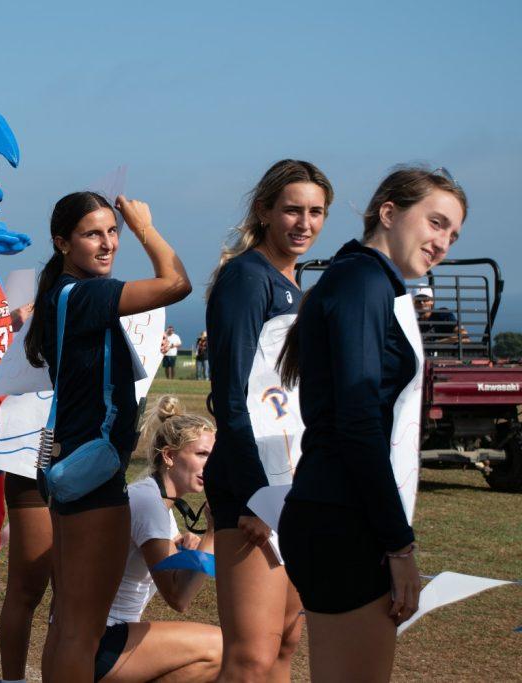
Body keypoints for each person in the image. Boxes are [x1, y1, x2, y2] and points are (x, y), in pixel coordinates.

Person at [277, 166, 466, 681]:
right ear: (389, 212)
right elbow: (358, 420)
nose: (443, 242)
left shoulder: (362, 279)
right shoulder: (363, 281)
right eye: (436, 222)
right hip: (342, 519)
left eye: (453, 233)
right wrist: (399, 545)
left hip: (334, 510)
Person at [22, 191, 191, 682]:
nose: (108, 243)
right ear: (62, 243)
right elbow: (176, 283)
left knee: (67, 620)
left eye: (113, 231)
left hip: (73, 462)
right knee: (82, 628)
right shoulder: (89, 295)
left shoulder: (61, 296)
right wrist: (143, 226)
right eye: (93, 233)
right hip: (93, 472)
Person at [204, 159, 332, 682]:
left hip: (292, 479)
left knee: (287, 639)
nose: (304, 223)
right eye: (292, 210)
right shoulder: (246, 277)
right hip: (252, 485)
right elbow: (230, 395)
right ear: (264, 211)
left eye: (316, 212)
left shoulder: (295, 284)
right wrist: (257, 495)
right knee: (251, 655)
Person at [95, 397, 221, 682]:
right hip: (102, 641)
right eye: (201, 455)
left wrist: (186, 542)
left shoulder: (153, 496)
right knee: (220, 648)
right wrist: (211, 534)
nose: (209, 466)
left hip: (103, 636)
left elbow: (170, 544)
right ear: (169, 456)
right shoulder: (150, 504)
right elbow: (178, 597)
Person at [413, 286, 469, 351]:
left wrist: (435, 344)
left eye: (425, 299)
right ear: (413, 303)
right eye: (418, 300)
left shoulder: (442, 314)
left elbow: (463, 336)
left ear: (432, 301)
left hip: (448, 356)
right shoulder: (414, 324)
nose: (422, 302)